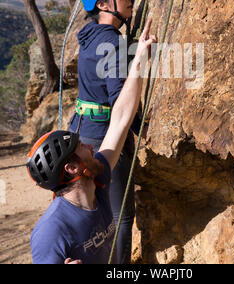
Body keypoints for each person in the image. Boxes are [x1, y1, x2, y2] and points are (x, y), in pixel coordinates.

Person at [27, 19, 156, 264]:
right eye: (81, 148)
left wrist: (138, 58)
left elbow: (120, 119)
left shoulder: (98, 177)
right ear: (72, 168)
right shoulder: (51, 232)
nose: (90, 146)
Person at [67, 0, 144, 264]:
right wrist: (139, 126)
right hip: (104, 139)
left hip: (83, 131)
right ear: (103, 2)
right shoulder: (111, 44)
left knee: (96, 211)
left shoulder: (90, 34)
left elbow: (114, 11)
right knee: (120, 218)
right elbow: (119, 98)